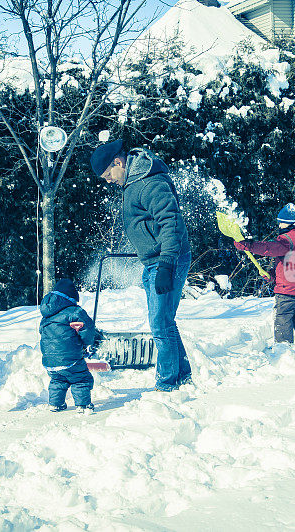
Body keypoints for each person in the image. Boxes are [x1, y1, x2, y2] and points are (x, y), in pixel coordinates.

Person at [91, 139, 193, 392]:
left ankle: (167, 384)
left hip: (167, 259)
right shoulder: (133, 182)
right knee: (164, 320)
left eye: (107, 174)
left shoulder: (149, 183)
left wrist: (167, 264)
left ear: (118, 162)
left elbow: (172, 223)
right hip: (154, 260)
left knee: (160, 323)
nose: (108, 181)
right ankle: (182, 374)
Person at [233, 203, 295, 344]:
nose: (279, 226)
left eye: (281, 223)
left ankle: (284, 348)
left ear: (289, 224)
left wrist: (249, 245)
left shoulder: (286, 239)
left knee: (283, 317)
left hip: (287, 290)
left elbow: (269, 248)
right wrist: (272, 275)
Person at [39, 278, 103, 413]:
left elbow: (42, 333)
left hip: (49, 360)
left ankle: (55, 404)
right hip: (71, 359)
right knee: (81, 378)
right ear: (72, 297)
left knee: (58, 380)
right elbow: (88, 330)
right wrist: (88, 343)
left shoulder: (46, 316)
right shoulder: (75, 312)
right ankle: (83, 405)